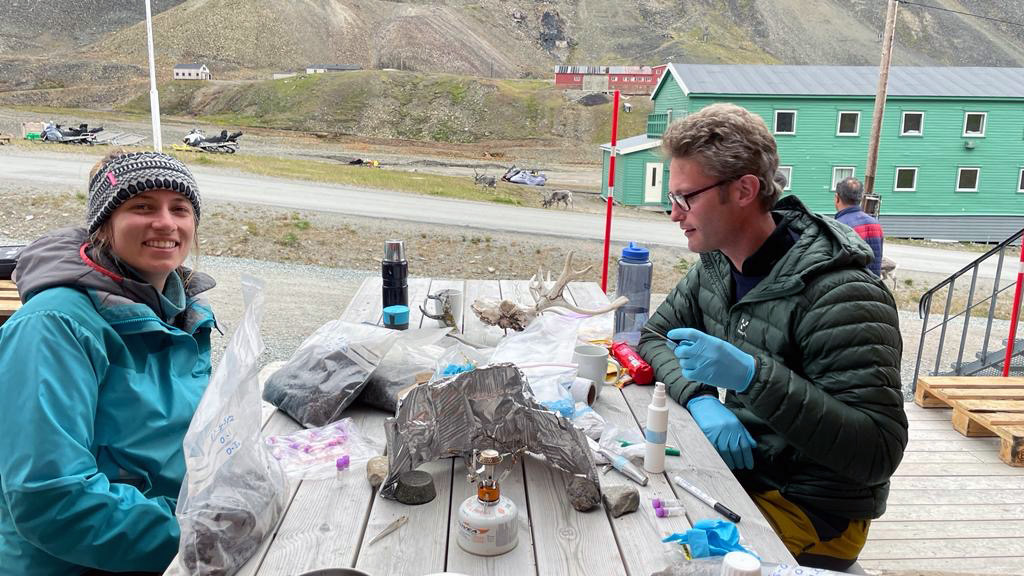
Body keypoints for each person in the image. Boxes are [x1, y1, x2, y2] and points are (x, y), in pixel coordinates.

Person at [637, 103, 907, 571]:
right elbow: (654, 335)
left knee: (651, 554)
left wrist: (751, 376)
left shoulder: (841, 293)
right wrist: (702, 398)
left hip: (814, 509)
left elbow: (876, 453)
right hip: (746, 474)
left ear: (744, 189)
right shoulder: (718, 265)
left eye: (687, 198)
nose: (674, 215)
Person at [0, 151, 216, 575]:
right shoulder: (54, 326)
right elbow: (49, 497)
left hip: (158, 543)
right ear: (104, 225)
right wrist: (201, 536)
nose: (166, 222)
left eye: (180, 209)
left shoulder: (180, 311)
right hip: (76, 563)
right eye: (142, 206)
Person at [834, 176, 884, 276]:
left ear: (837, 198)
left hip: (850, 286)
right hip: (873, 286)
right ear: (861, 199)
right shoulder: (875, 224)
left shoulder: (838, 226)